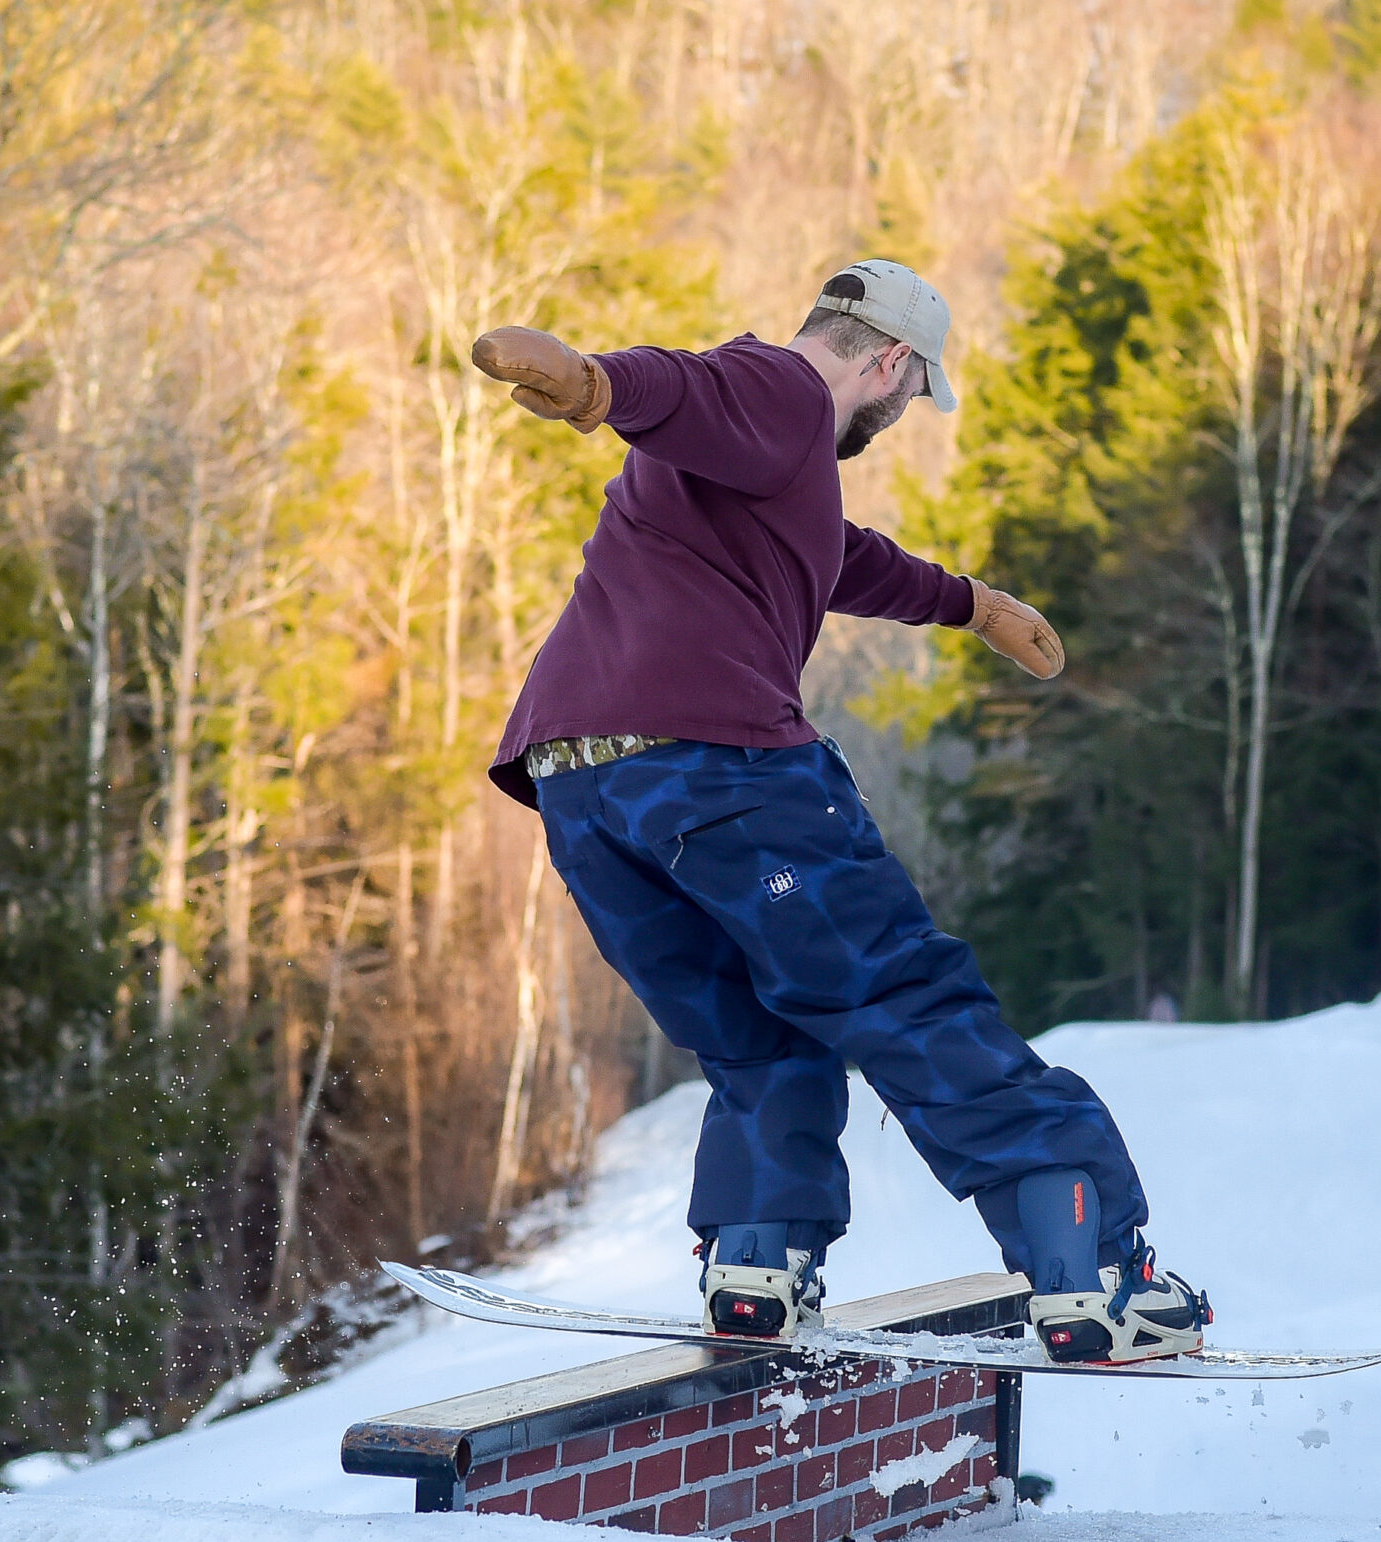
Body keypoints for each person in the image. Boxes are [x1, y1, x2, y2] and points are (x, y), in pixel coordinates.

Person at [471, 260, 1209, 1366]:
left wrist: (970, 603)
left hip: (583, 786)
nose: (902, 416)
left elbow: (834, 558)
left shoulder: (759, 471)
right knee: (905, 998)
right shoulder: (777, 394)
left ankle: (757, 1273)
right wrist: (592, 387)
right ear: (889, 361)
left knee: (755, 1037)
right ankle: (1094, 1277)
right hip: (717, 774)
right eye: (911, 396)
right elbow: (684, 387)